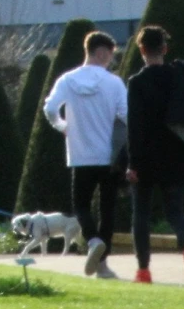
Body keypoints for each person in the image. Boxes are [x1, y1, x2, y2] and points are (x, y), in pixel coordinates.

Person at [43, 30, 128, 279]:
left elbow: (49, 109)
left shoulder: (67, 80)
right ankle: (102, 264)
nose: (111, 60)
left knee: (81, 205)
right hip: (108, 156)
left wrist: (63, 126)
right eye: (110, 55)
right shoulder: (114, 83)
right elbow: (126, 116)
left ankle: (92, 241)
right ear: (101, 52)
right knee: (107, 209)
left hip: (80, 155)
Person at [124, 25, 184, 286]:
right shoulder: (180, 77)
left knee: (141, 214)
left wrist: (132, 163)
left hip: (146, 156)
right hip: (177, 152)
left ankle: (143, 270)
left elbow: (134, 126)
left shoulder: (137, 82)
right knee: (175, 211)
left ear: (142, 50)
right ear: (165, 49)